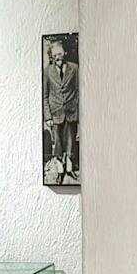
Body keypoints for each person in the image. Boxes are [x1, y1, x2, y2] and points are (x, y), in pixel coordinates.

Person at [43, 38, 79, 184]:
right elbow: (44, 96)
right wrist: (47, 116)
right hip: (55, 112)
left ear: (64, 53)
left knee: (70, 140)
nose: (58, 57)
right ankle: (59, 170)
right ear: (51, 56)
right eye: (54, 54)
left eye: (60, 53)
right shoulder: (47, 72)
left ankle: (69, 169)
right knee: (57, 142)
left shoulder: (74, 68)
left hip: (71, 111)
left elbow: (78, 91)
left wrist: (78, 110)